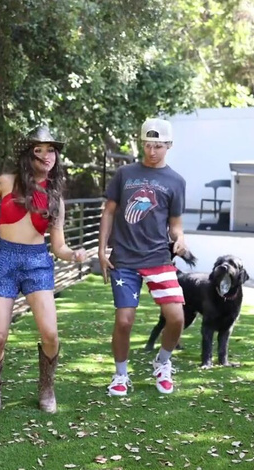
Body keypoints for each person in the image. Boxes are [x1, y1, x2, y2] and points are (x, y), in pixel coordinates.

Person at [0, 126, 87, 413]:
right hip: (4, 260)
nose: (47, 156)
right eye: (40, 149)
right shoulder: (6, 182)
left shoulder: (55, 198)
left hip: (37, 262)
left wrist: (73, 254)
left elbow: (58, 246)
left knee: (51, 335)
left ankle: (46, 387)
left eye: (52, 150)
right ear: (27, 154)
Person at [98, 118, 187, 396]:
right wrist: (102, 249)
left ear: (168, 145)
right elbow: (109, 211)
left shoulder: (176, 181)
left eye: (158, 146)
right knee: (124, 321)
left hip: (159, 258)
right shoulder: (125, 173)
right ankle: (120, 375)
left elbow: (175, 225)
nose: (152, 151)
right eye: (148, 145)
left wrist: (181, 239)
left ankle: (162, 363)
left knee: (176, 318)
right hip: (124, 259)